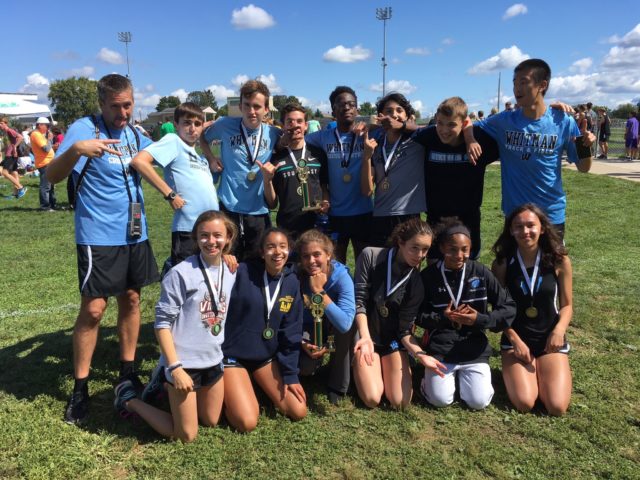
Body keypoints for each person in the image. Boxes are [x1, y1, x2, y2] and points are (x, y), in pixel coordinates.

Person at [47, 73, 160, 425]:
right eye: (116, 106)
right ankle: (80, 388)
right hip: (98, 235)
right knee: (94, 310)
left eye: (128, 104)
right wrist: (77, 150)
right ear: (101, 104)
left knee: (132, 299)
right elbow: (51, 175)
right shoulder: (84, 129)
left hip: (135, 233)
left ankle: (127, 372)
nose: (123, 112)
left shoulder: (134, 133)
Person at [113, 211, 237, 441]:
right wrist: (176, 367)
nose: (211, 241)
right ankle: (132, 400)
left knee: (210, 420)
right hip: (184, 363)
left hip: (213, 360)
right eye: (204, 236)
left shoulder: (230, 270)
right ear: (195, 238)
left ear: (228, 237)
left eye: (218, 235)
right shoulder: (180, 273)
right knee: (186, 435)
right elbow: (161, 324)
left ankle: (166, 393)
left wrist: (230, 257)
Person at [471, 58, 594, 239]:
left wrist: (585, 146)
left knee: (553, 266)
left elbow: (584, 168)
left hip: (551, 215)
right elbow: (466, 124)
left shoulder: (563, 121)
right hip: (516, 215)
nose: (516, 89)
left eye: (523, 82)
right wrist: (469, 139)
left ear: (542, 85)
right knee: (508, 266)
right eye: (514, 83)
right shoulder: (504, 120)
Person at [418, 219, 516, 410]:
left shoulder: (481, 273)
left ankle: (465, 382)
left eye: (465, 249)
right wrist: (442, 319)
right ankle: (428, 385)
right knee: (440, 400)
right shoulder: (428, 276)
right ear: (441, 248)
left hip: (474, 348)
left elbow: (508, 307)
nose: (459, 255)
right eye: (452, 249)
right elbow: (416, 315)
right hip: (441, 349)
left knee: (478, 402)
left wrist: (480, 320)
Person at [352, 218, 444, 409]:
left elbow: (404, 330)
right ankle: (358, 364)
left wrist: (420, 355)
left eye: (425, 250)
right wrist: (366, 338)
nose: (420, 255)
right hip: (365, 336)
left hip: (392, 341)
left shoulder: (416, 282)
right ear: (401, 242)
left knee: (400, 401)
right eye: (415, 247)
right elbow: (358, 301)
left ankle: (383, 364)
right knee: (372, 398)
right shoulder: (370, 256)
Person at [222, 228, 307, 431]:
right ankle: (225, 396)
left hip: (264, 358)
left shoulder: (292, 282)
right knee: (247, 422)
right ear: (262, 252)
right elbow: (209, 270)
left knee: (298, 410)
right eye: (270, 247)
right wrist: (221, 259)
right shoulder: (241, 272)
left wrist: (290, 375)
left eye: (282, 246)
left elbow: (292, 331)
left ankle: (250, 386)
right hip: (233, 356)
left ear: (289, 250)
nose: (277, 252)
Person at [491, 204, 573, 415]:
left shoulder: (559, 260)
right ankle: (527, 371)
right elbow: (498, 309)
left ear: (542, 228)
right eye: (518, 226)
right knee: (525, 403)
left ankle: (542, 369)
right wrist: (515, 340)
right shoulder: (502, 263)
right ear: (510, 230)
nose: (525, 231)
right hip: (516, 339)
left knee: (556, 406)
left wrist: (558, 331)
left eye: (531, 225)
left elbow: (567, 306)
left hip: (549, 340)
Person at [200, 80, 281, 260]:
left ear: (266, 109)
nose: (252, 111)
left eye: (257, 106)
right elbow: (202, 138)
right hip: (230, 206)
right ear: (240, 106)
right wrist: (211, 158)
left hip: (258, 209)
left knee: (258, 263)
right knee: (227, 260)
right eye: (247, 105)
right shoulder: (224, 125)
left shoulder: (273, 133)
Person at [131, 102, 219, 267]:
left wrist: (213, 162)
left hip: (210, 231)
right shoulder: (173, 142)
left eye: (197, 124)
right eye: (187, 123)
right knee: (184, 284)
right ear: (176, 125)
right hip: (188, 230)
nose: (192, 128)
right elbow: (140, 162)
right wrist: (170, 194)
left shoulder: (199, 157)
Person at [414, 97, 499, 261]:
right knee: (435, 269)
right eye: (440, 123)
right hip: (436, 219)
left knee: (466, 271)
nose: (444, 130)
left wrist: (470, 137)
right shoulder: (430, 136)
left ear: (464, 123)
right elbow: (409, 129)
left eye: (452, 124)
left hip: (468, 221)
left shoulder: (480, 140)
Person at [306, 86, 372, 264]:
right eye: (341, 104)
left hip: (363, 210)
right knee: (337, 263)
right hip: (336, 213)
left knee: (363, 262)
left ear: (357, 109)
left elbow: (392, 125)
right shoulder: (322, 137)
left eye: (351, 104)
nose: (347, 108)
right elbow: (296, 139)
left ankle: (360, 293)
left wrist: (370, 124)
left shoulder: (367, 134)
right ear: (333, 110)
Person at [296, 229, 355, 404]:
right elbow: (288, 317)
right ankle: (314, 367)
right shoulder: (296, 276)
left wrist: (319, 292)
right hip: (309, 326)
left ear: (328, 255)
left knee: (348, 326)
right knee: (305, 367)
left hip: (335, 327)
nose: (311, 261)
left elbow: (344, 323)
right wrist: (301, 341)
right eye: (306, 256)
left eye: (317, 254)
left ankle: (338, 384)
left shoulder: (341, 277)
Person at [360, 93, 426, 247]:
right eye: (389, 111)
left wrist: (403, 126)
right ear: (380, 116)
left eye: (399, 110)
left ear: (408, 116)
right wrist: (366, 157)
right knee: (381, 266)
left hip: (409, 215)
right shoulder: (375, 143)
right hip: (381, 216)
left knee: (410, 266)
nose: (394, 115)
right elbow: (366, 191)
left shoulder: (418, 141)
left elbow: (434, 129)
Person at [258, 103, 329, 240]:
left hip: (316, 225)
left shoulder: (318, 154)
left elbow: (324, 186)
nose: (295, 125)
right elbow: (273, 204)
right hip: (287, 226)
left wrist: (325, 202)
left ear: (306, 125)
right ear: (283, 126)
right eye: (289, 121)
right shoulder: (276, 158)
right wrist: (267, 180)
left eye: (299, 121)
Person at [30, 117, 56, 211]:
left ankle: (52, 205)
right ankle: (45, 206)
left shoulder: (40, 134)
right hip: (44, 164)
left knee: (51, 185)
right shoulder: (36, 134)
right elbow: (46, 149)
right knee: (46, 186)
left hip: (48, 162)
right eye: (47, 125)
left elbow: (47, 147)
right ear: (40, 125)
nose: (48, 128)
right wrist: (49, 139)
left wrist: (50, 141)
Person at [0, 116, 27, 198]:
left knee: (4, 173)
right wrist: (2, 150)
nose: (0, 125)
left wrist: (15, 146)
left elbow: (20, 137)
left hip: (11, 155)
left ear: (6, 124)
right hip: (11, 154)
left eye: (1, 123)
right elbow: (10, 143)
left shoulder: (9, 130)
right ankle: (15, 193)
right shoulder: (5, 132)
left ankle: (20, 187)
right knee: (14, 173)